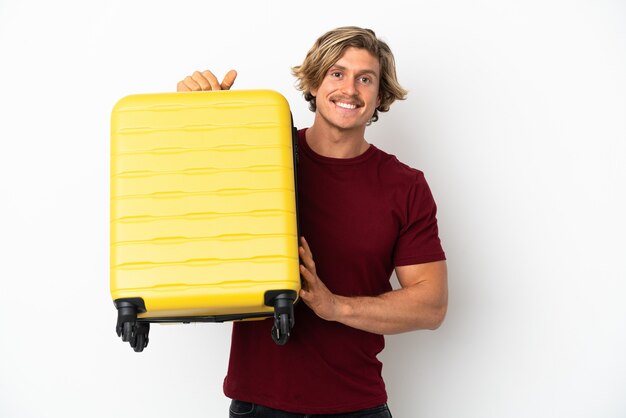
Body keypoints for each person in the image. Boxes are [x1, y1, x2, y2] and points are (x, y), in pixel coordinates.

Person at [177, 26, 448, 418]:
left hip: (358, 406)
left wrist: (334, 306)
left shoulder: (405, 186)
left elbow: (431, 305)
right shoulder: (259, 158)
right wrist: (199, 119)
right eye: (337, 73)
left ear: (380, 96)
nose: (350, 89)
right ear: (315, 80)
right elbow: (193, 209)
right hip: (259, 405)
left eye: (365, 79)